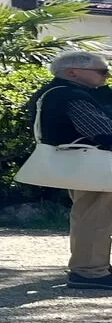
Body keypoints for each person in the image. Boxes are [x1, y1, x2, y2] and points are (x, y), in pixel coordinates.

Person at [28, 51, 112, 290]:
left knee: (89, 216)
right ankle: (89, 272)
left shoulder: (59, 93)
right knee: (96, 218)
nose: (107, 76)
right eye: (102, 71)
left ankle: (92, 267)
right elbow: (103, 131)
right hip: (96, 164)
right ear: (73, 72)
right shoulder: (70, 95)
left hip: (84, 164)